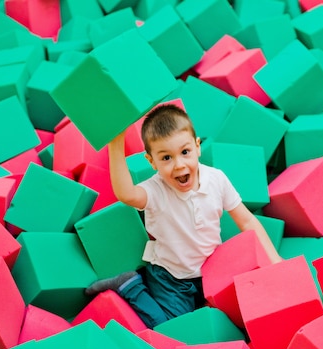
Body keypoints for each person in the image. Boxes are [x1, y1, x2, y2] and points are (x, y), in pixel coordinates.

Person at [85, 104, 282, 328]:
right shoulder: (155, 190)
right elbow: (126, 195)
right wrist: (116, 143)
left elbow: (246, 220)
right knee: (169, 329)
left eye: (185, 152)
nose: (179, 165)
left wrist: (273, 259)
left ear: (198, 147)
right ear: (152, 162)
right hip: (172, 278)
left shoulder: (216, 179)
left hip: (210, 273)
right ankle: (130, 285)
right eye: (166, 158)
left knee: (234, 319)